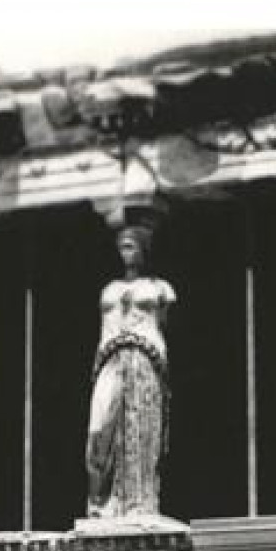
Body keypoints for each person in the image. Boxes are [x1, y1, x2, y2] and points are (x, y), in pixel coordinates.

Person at [86, 220, 173, 519]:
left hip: (144, 357)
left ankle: (140, 503)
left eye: (132, 244)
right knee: (99, 429)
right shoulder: (109, 289)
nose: (126, 251)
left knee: (142, 426)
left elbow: (164, 325)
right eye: (122, 245)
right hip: (109, 358)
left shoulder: (160, 288)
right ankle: (100, 502)